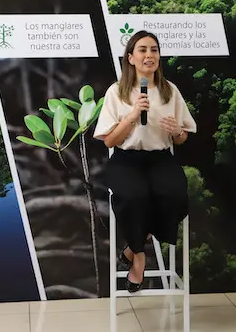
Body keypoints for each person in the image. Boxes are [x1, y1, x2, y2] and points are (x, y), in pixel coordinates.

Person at [93, 30, 197, 293]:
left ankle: (131, 246)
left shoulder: (169, 91)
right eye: (142, 50)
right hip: (127, 159)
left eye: (154, 50)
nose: (149, 55)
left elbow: (183, 137)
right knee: (133, 197)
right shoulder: (117, 92)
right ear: (130, 57)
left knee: (175, 195)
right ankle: (139, 257)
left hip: (161, 158)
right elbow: (109, 141)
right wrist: (131, 116)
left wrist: (176, 132)